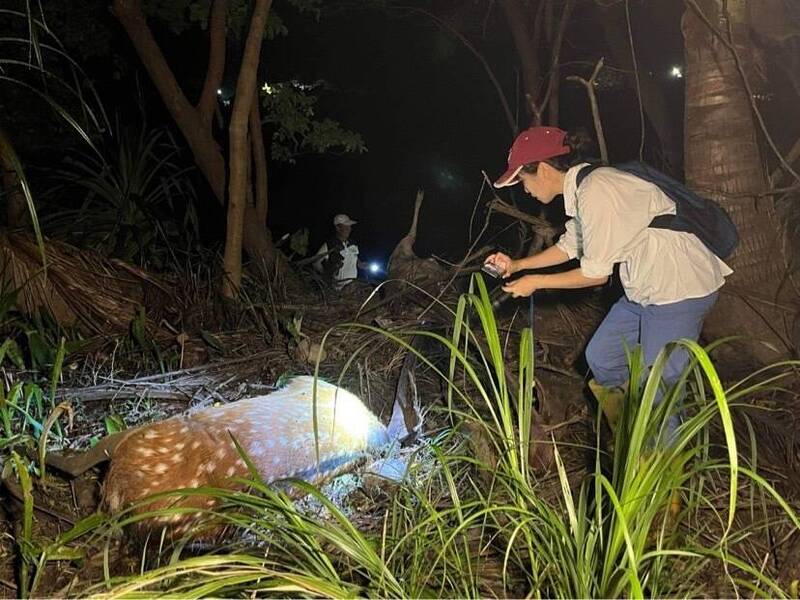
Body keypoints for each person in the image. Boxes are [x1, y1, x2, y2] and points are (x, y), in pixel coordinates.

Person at [485, 126, 732, 440]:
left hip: (678, 291)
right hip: (644, 289)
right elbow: (570, 246)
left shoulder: (598, 189)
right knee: (603, 356)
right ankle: (633, 433)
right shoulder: (584, 189)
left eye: (522, 179)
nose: (524, 189)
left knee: (658, 391)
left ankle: (661, 468)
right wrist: (517, 265)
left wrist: (535, 282)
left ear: (544, 169)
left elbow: (595, 274)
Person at [314, 213, 366, 289]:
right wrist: (327, 272)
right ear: (338, 228)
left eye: (350, 226)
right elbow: (316, 263)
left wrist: (360, 263)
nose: (349, 229)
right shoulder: (329, 245)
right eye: (346, 226)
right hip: (337, 289)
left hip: (352, 286)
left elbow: (354, 257)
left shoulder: (352, 243)